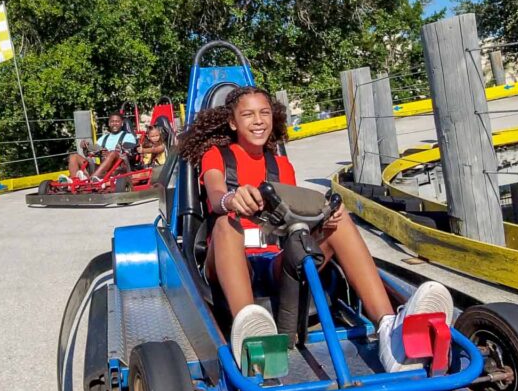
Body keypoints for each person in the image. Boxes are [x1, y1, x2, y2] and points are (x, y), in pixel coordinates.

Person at [177, 86, 453, 372]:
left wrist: (324, 219)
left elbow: (295, 218)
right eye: (248, 115)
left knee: (340, 219)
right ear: (233, 122)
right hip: (228, 259)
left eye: (264, 113)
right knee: (226, 222)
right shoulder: (216, 156)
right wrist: (231, 199)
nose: (258, 121)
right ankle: (252, 335)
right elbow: (215, 194)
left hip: (275, 262)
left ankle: (388, 329)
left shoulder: (282, 166)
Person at [67, 112, 138, 182]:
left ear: (122, 123)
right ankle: (74, 182)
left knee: (112, 153)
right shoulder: (103, 138)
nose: (114, 124)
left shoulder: (128, 136)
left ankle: (91, 180)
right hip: (103, 168)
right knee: (73, 157)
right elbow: (89, 154)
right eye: (112, 121)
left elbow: (130, 153)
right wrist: (85, 147)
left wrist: (110, 153)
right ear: (109, 123)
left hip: (119, 168)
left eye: (117, 121)